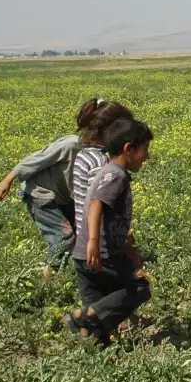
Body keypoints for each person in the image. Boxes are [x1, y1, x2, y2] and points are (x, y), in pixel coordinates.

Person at [0, 97, 112, 277]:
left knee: (82, 229)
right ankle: (49, 277)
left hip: (60, 196)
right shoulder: (71, 145)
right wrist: (8, 179)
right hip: (40, 195)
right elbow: (36, 159)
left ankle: (83, 270)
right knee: (64, 236)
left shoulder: (97, 154)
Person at [63, 118, 153, 345]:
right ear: (128, 149)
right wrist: (94, 240)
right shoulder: (116, 175)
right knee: (140, 288)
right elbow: (96, 204)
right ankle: (84, 316)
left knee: (96, 331)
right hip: (101, 255)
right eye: (145, 150)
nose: (147, 157)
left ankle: (90, 335)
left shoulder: (106, 171)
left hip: (83, 255)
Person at [71, 101, 135, 263]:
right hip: (101, 246)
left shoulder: (84, 155)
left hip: (85, 239)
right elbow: (98, 203)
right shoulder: (100, 163)